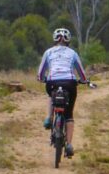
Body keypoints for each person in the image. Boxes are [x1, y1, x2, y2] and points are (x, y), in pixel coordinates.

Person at [37, 28, 88, 159]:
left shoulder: (48, 52)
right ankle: (69, 145)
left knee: (51, 95)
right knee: (69, 114)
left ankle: (49, 118)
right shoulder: (73, 53)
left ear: (55, 39)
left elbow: (40, 73)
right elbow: (82, 73)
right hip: (69, 83)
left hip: (52, 82)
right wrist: (83, 81)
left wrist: (42, 79)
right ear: (68, 40)